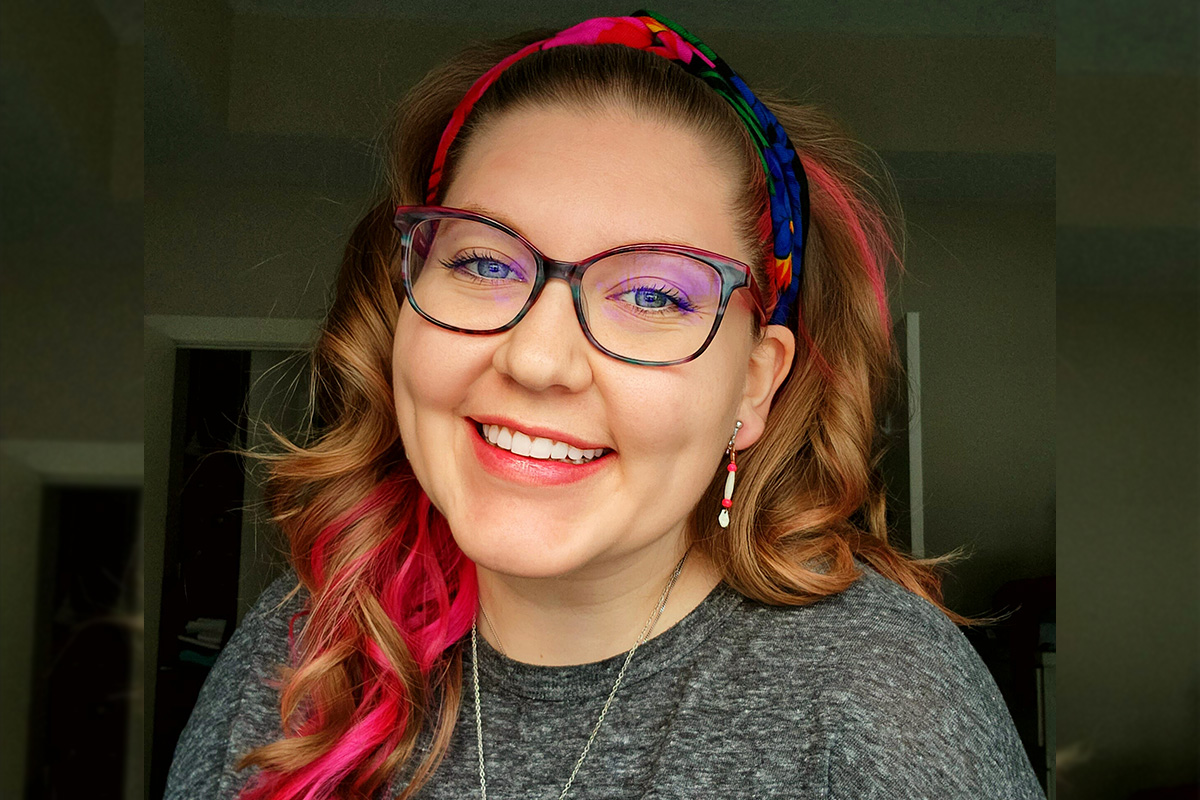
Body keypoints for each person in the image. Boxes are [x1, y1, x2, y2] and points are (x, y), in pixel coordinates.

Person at [164, 11, 1046, 800]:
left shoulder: (881, 698)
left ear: (754, 385)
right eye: (483, 263)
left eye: (655, 296)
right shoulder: (299, 651)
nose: (540, 359)